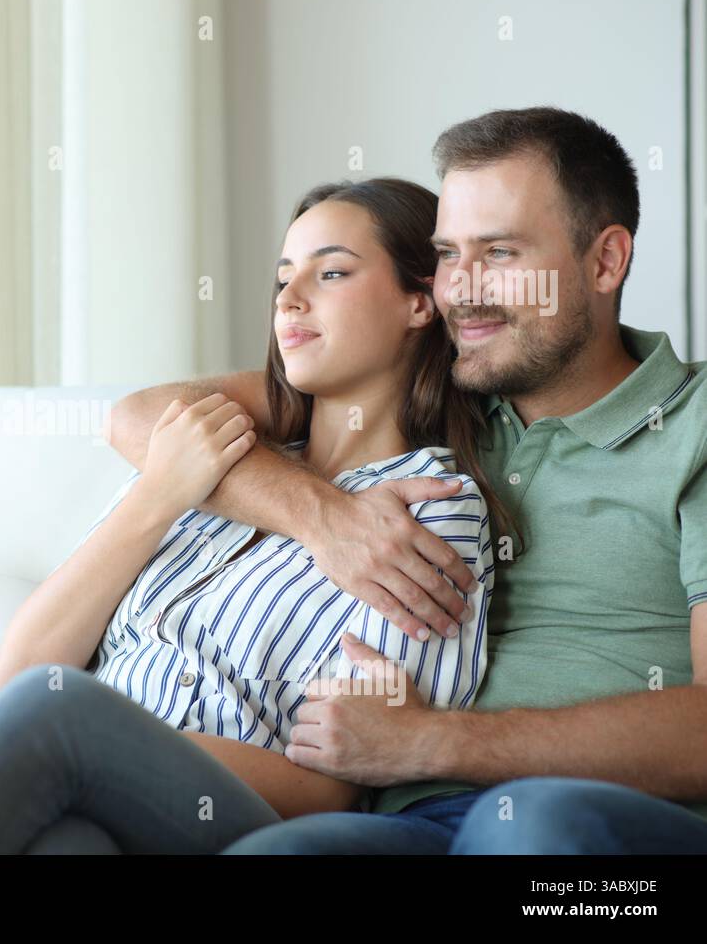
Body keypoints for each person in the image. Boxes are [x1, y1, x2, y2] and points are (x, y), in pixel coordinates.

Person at [108, 107, 707, 854]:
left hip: (596, 827)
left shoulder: (693, 423)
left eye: (501, 252)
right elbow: (142, 418)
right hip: (404, 823)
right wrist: (321, 517)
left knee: (533, 834)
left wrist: (432, 744)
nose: (463, 289)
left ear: (605, 261)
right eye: (450, 254)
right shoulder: (441, 401)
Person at [0, 176, 502, 854]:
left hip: (234, 814)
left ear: (419, 303)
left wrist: (104, 739)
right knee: (65, 844)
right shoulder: (219, 463)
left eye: (331, 271)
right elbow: (22, 669)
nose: (290, 300)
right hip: (83, 778)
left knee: (54, 712)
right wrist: (160, 491)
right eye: (283, 279)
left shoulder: (431, 509)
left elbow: (336, 781)